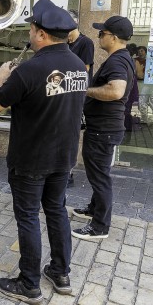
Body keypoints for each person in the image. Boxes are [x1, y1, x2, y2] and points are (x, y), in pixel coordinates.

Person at [0, 0, 88, 305]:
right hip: (64, 157)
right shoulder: (77, 65)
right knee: (56, 211)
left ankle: (29, 283)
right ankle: (60, 273)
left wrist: (2, 77)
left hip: (31, 157)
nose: (29, 35)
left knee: (29, 217)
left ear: (41, 33)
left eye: (31, 29)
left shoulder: (29, 69)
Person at [72, 16, 135, 240]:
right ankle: (94, 209)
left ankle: (99, 227)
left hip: (103, 130)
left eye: (102, 33)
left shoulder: (118, 61)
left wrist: (86, 91)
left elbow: (116, 91)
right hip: (104, 128)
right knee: (99, 174)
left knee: (100, 178)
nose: (99, 36)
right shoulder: (121, 58)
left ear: (114, 37)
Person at [67, 10, 95, 187]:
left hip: (76, 96)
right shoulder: (64, 43)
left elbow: (82, 71)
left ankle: (69, 172)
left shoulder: (85, 42)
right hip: (62, 94)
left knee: (72, 135)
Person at [67, 9, 94, 81]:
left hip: (79, 86)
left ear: (76, 22)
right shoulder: (64, 43)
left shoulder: (86, 42)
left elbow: (85, 69)